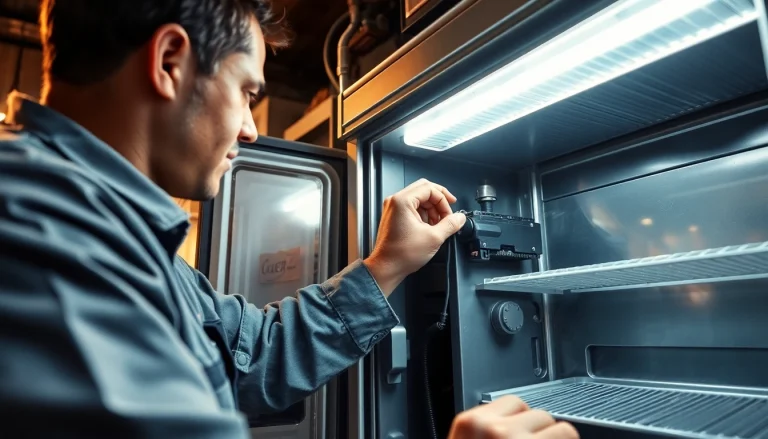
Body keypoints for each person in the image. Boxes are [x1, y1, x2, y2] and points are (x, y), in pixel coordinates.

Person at [0, 1, 578, 438]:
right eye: (247, 92)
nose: (250, 130)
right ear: (170, 62)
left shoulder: (108, 232)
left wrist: (385, 267)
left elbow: (251, 354)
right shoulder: (42, 232)